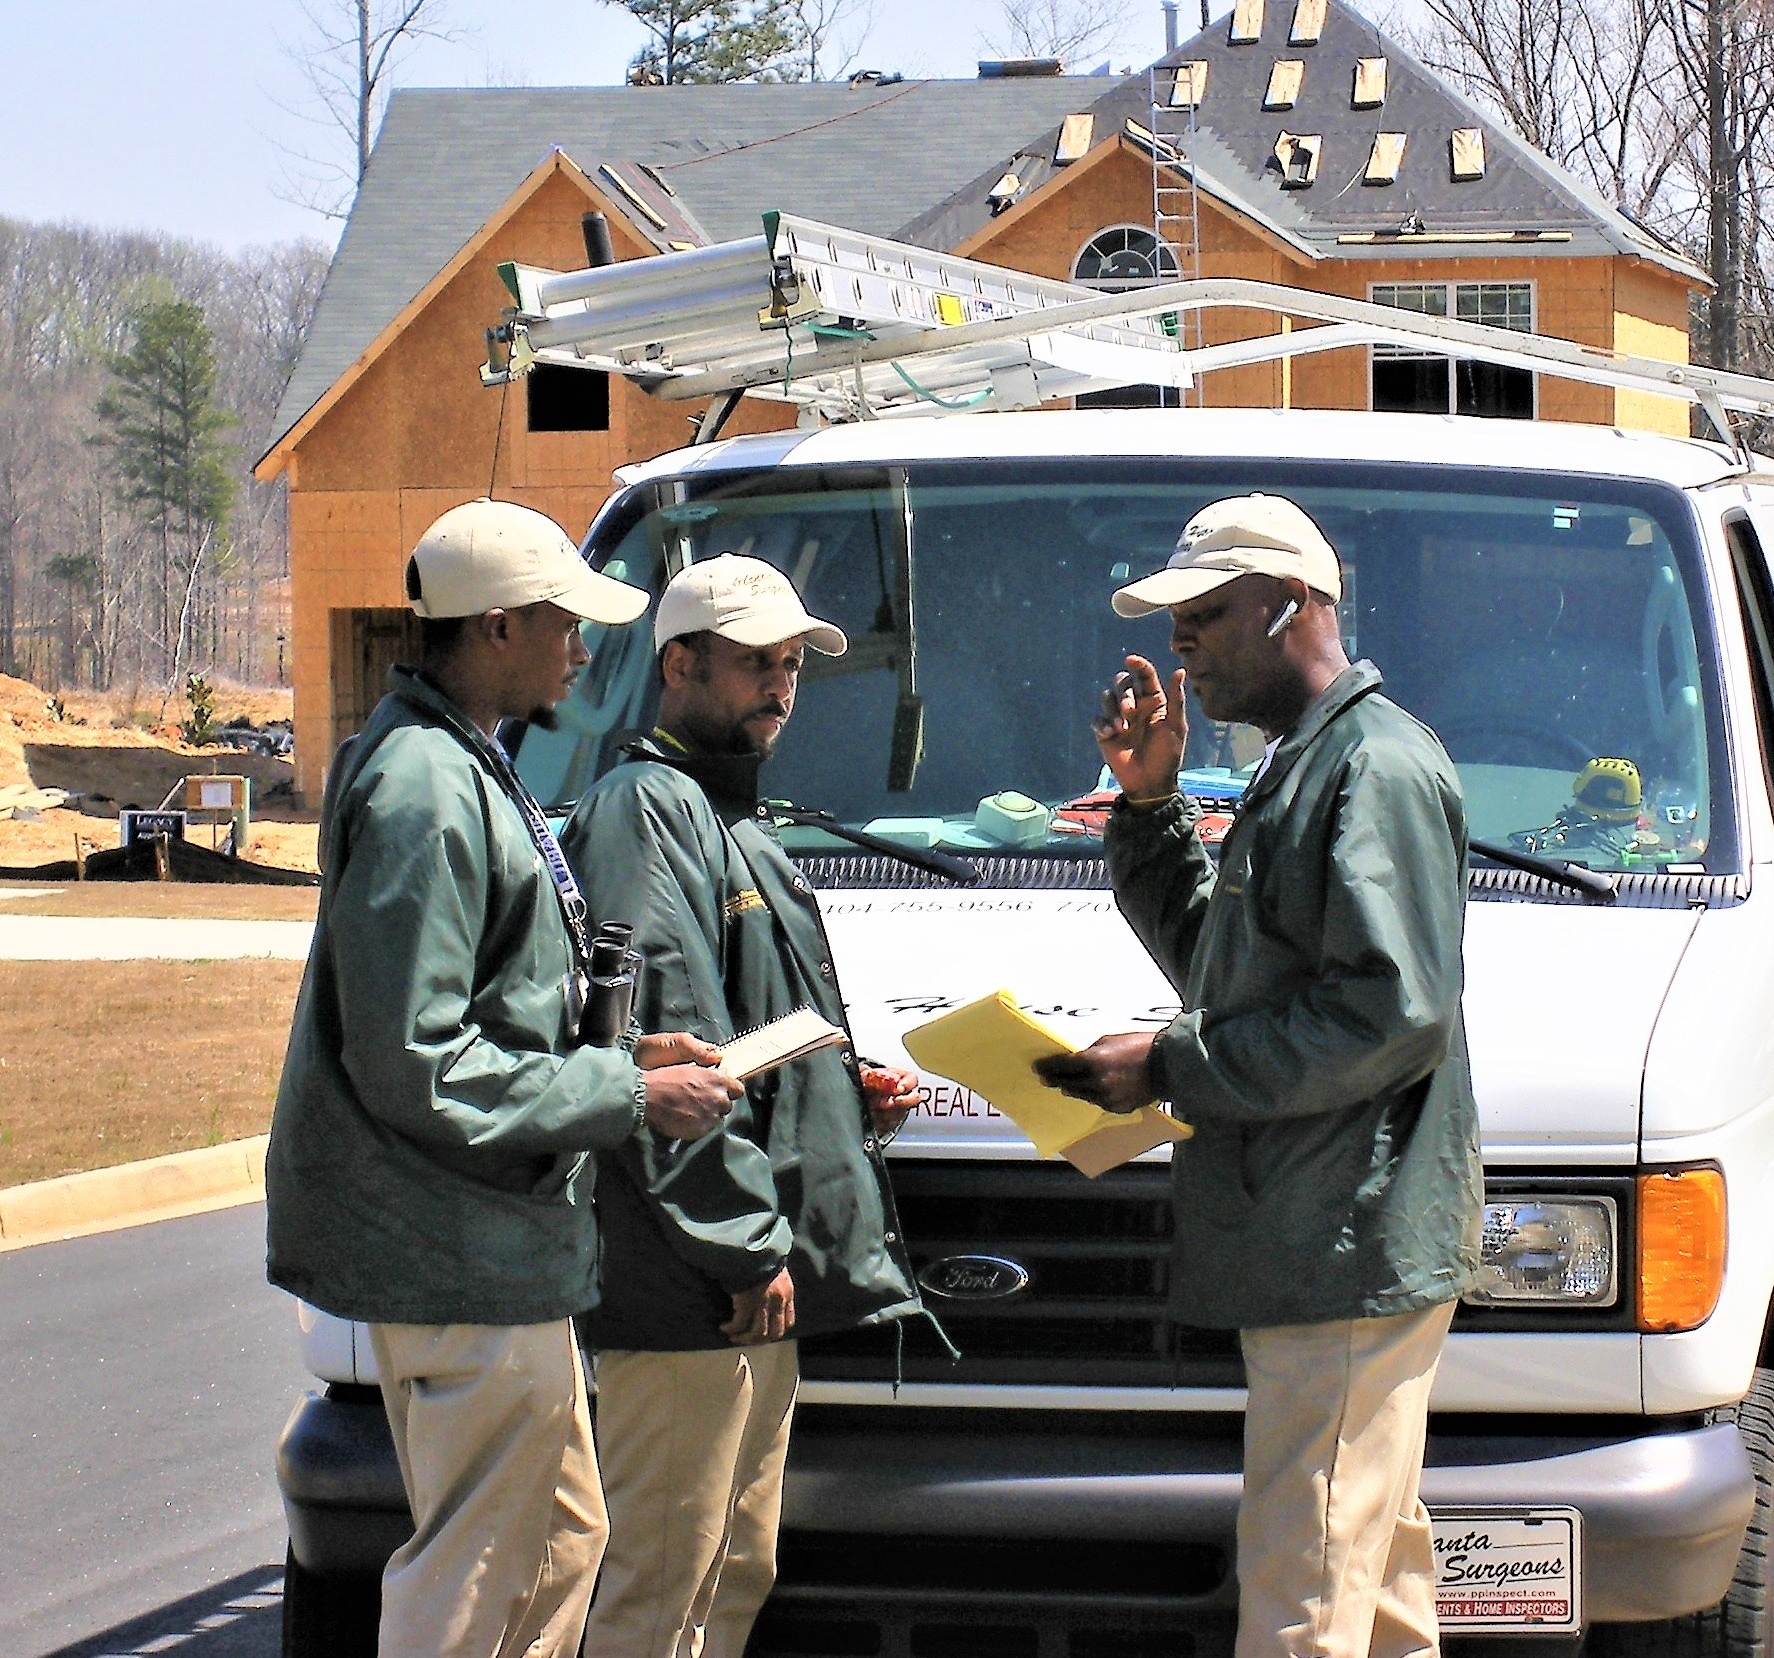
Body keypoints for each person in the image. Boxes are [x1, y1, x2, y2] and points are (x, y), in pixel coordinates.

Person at [264, 499, 745, 1658]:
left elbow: (490, 1015)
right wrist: (623, 1097)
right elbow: (419, 1061)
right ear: (491, 628)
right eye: (561, 620)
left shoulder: (458, 757)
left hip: (489, 1248)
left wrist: (624, 1057)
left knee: (561, 1539)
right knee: (481, 1569)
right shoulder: (426, 787)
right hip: (455, 1253)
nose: (582, 645)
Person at [1035, 494, 1482, 1658]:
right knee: (1371, 1586)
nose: (1180, 640)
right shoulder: (1310, 763)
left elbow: (1388, 1013)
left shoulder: (1370, 767)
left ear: (1293, 605)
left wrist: (1172, 1063)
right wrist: (1145, 807)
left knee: (1301, 1605)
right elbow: (1240, 976)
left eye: (1206, 611)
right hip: (1314, 1236)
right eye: (1174, 616)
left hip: (1337, 1241)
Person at [561, 553, 925, 1658]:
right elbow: (662, 1055)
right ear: (679, 663)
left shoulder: (729, 815)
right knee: (657, 1585)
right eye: (754, 662)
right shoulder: (644, 808)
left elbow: (744, 1034)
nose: (779, 685)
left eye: (790, 665)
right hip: (687, 1290)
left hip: (736, 1281)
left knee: (732, 1567)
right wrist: (737, 1247)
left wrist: (834, 1094)